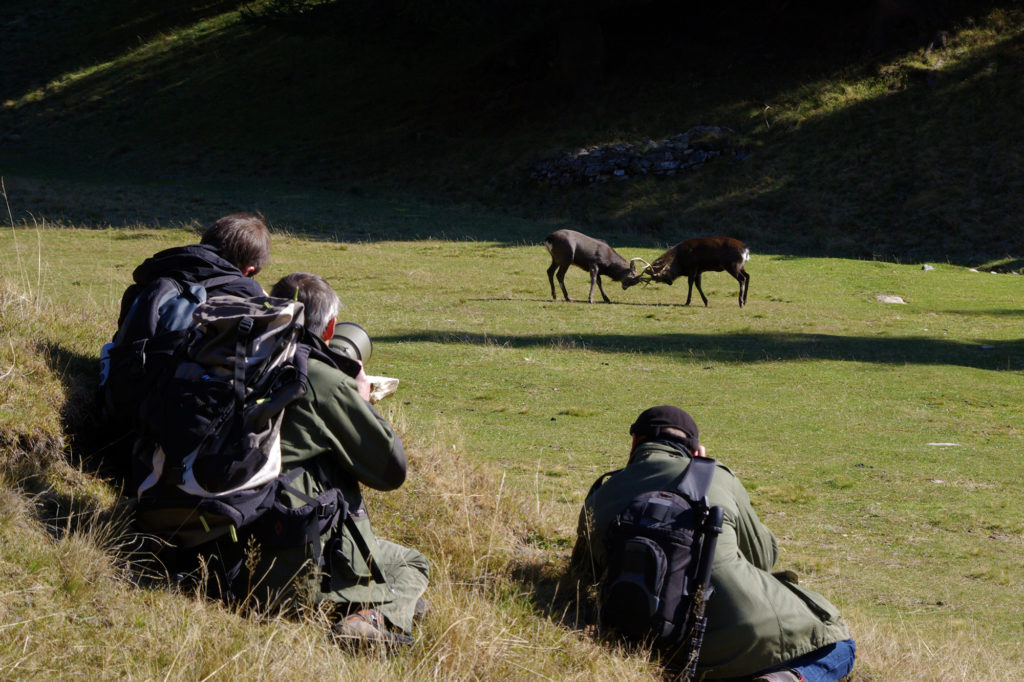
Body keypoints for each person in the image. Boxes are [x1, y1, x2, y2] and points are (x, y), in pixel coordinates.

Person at [570, 406, 856, 682]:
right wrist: (705, 471)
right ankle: (785, 679)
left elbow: (584, 575)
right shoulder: (715, 476)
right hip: (740, 641)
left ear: (635, 442)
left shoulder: (601, 494)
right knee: (840, 647)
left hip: (653, 644)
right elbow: (764, 557)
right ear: (695, 450)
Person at [266, 272, 430, 647]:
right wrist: (360, 400)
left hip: (231, 537)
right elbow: (391, 470)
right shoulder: (322, 381)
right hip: (292, 553)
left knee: (416, 597)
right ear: (330, 329)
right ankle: (372, 618)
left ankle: (387, 604)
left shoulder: (246, 358)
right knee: (412, 563)